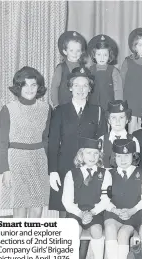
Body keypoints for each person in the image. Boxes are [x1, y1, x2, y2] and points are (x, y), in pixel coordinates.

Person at [48, 66, 107, 216]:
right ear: (70, 88)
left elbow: (102, 144)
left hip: (89, 169)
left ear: (90, 89)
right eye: (76, 85)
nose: (81, 89)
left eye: (85, 85)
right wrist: (52, 171)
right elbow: (53, 143)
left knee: (88, 211)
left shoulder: (98, 111)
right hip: (64, 166)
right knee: (64, 210)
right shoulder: (60, 111)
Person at [0, 66, 52, 218]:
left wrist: (49, 168)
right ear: (18, 87)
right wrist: (5, 170)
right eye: (25, 85)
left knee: (37, 206)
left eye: (33, 85)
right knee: (20, 205)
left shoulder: (46, 109)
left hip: (39, 160)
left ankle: (32, 240)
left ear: (39, 87)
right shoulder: (8, 109)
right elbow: (2, 142)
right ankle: (20, 241)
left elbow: (46, 140)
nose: (29, 89)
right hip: (16, 160)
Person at [103, 139, 142, 259]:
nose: (123, 159)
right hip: (114, 213)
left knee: (124, 234)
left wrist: (132, 211)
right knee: (109, 228)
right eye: (119, 156)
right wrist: (114, 210)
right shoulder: (109, 174)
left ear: (134, 156)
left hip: (135, 214)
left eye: (127, 155)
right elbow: (104, 199)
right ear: (114, 157)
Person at [62, 137, 110, 259]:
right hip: (75, 212)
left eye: (96, 154)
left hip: (95, 212)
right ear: (81, 155)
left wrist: (92, 212)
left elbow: (106, 199)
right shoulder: (71, 174)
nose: (92, 157)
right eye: (88, 153)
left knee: (97, 230)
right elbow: (67, 201)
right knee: (74, 230)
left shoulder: (105, 174)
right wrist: (80, 213)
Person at [121, 28, 142, 132]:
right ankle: (132, 144)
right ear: (135, 47)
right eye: (140, 45)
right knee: (132, 122)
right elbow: (121, 81)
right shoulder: (128, 61)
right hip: (131, 98)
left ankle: (141, 145)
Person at [49, 31, 87, 107]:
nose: (75, 53)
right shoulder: (60, 68)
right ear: (65, 51)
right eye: (71, 50)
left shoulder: (84, 69)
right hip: (63, 104)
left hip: (79, 105)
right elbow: (54, 88)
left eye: (78, 51)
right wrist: (56, 104)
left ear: (82, 52)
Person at [99, 100, 140, 168]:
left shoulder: (134, 140)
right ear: (109, 120)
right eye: (113, 117)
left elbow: (135, 166)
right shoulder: (101, 140)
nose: (117, 121)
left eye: (121, 117)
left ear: (127, 119)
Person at [87, 34, 122, 110]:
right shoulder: (90, 70)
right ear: (94, 55)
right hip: (93, 104)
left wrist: (117, 104)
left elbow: (118, 90)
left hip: (109, 104)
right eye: (99, 54)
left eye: (105, 55)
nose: (102, 58)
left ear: (109, 56)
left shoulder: (114, 71)